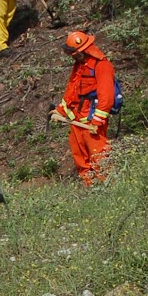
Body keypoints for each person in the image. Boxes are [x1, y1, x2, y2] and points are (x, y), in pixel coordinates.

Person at [51, 29, 117, 186]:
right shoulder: (79, 65)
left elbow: (106, 97)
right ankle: (91, 187)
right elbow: (72, 90)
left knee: (99, 156)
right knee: (80, 156)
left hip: (91, 120)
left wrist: (97, 121)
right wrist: (60, 110)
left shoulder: (102, 66)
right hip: (77, 120)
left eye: (74, 53)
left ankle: (109, 187)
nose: (73, 57)